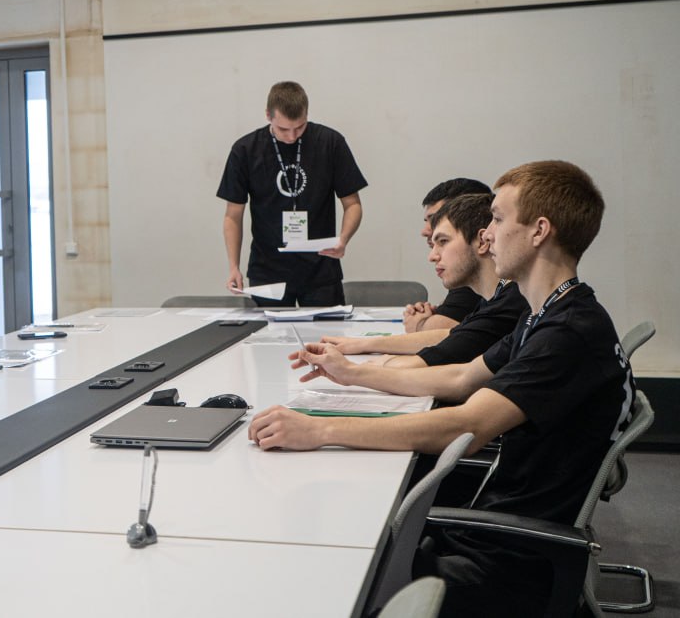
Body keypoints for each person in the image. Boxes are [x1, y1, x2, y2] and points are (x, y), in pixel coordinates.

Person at [247, 161, 634, 617]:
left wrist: (319, 430)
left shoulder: (567, 333)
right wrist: (351, 373)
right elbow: (461, 377)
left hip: (505, 565)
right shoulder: (547, 314)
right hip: (488, 532)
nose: (487, 234)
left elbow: (465, 426)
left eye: (498, 218)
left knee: (315, 573)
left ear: (539, 231)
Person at [320, 193, 527, 368]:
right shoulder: (494, 297)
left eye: (443, 241)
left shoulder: (511, 302)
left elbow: (446, 365)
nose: (432, 256)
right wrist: (363, 345)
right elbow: (453, 335)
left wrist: (353, 368)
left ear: (482, 241)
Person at [217, 81, 367, 306]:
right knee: (269, 329)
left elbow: (352, 204)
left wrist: (343, 239)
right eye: (283, 129)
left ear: (307, 114)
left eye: (300, 127)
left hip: (321, 269)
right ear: (268, 115)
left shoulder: (330, 142)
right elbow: (233, 215)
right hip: (268, 271)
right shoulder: (245, 150)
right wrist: (233, 266)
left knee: (328, 329)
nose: (292, 136)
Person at [403, 178, 494, 332]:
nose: (424, 231)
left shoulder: (509, 295)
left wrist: (419, 324)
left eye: (443, 241)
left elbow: (458, 333)